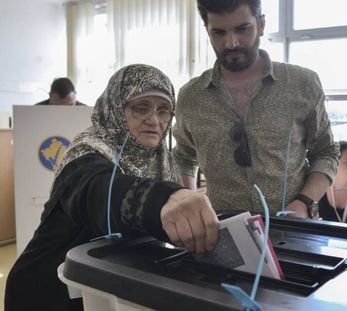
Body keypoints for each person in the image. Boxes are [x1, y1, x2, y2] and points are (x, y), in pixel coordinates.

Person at [5, 64, 219, 311]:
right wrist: (164, 199)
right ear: (116, 108)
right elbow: (97, 191)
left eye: (164, 110)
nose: (154, 120)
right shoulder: (84, 155)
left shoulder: (162, 161)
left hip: (104, 290)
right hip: (46, 294)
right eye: (141, 108)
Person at [173, 0, 338, 218]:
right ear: (207, 31)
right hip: (221, 232)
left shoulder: (302, 83)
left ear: (261, 24)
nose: (231, 43)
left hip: (295, 227)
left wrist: (304, 202)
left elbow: (326, 153)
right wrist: (190, 201)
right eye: (219, 33)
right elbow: (184, 157)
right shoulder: (191, 96)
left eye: (242, 29)